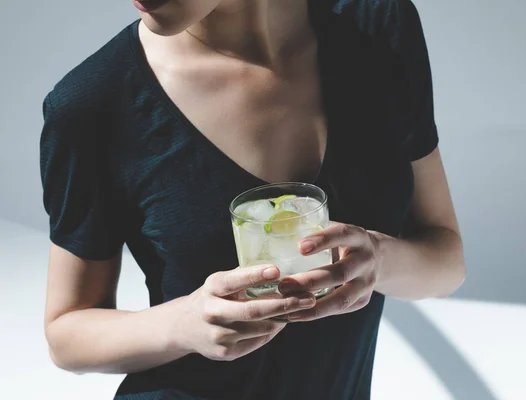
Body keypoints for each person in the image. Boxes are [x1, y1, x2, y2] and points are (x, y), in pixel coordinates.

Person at [39, 0, 466, 398]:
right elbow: (66, 335)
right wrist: (185, 324)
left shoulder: (378, 26)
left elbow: (447, 264)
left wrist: (377, 259)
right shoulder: (91, 103)